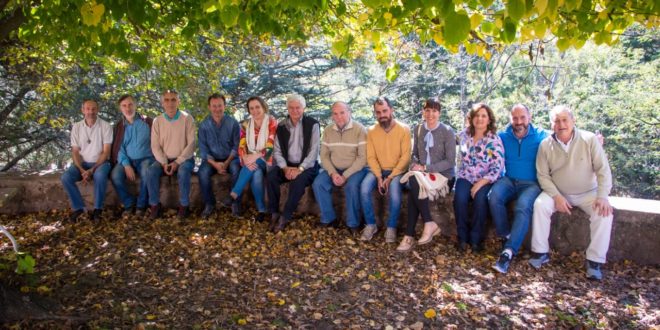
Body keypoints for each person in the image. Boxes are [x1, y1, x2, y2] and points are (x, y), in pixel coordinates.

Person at [528, 105, 613, 280]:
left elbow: (603, 169)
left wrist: (603, 196)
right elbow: (543, 175)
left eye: (565, 120)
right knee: (540, 205)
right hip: (558, 192)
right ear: (552, 125)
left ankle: (594, 261)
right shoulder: (545, 145)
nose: (561, 124)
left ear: (573, 121)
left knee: (604, 214)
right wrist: (556, 196)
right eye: (557, 121)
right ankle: (540, 253)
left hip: (588, 192)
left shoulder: (589, 139)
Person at [488, 104, 549, 273]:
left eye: (522, 117)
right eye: (515, 118)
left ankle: (508, 252)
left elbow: (564, 134)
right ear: (510, 119)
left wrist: (592, 139)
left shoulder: (541, 136)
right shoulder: (502, 136)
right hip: (509, 179)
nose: (519, 121)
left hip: (531, 183)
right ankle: (506, 235)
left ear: (529, 117)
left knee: (523, 206)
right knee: (493, 197)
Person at [396, 97, 456, 252]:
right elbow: (414, 153)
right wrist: (415, 165)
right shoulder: (418, 129)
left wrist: (425, 168)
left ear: (439, 113)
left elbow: (450, 162)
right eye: (427, 110)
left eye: (434, 111)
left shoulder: (447, 132)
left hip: (443, 176)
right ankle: (427, 224)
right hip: (422, 174)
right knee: (415, 183)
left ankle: (409, 235)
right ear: (423, 111)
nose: (430, 114)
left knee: (414, 187)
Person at [454, 103, 505, 253]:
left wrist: (481, 183)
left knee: (481, 199)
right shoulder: (464, 135)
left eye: (483, 116)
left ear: (489, 120)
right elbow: (459, 158)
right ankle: (462, 238)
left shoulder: (494, 140)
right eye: (477, 115)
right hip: (466, 176)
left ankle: (476, 240)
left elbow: (498, 166)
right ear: (472, 118)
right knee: (459, 198)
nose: (480, 119)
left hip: (487, 178)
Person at [360, 96, 411, 243]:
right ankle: (371, 225)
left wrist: (389, 177)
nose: (382, 115)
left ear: (391, 110)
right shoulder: (371, 131)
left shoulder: (404, 129)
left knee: (394, 190)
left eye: (384, 111)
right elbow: (371, 157)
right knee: (364, 188)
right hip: (377, 170)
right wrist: (379, 176)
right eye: (378, 112)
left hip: (397, 171)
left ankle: (391, 227)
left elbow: (405, 158)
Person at [312, 101, 368, 234]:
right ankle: (329, 219)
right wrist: (332, 173)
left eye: (342, 113)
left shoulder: (359, 129)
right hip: (334, 168)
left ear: (349, 112)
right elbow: (324, 156)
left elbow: (362, 158)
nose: (339, 117)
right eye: (335, 114)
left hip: (355, 169)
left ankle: (353, 223)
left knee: (352, 186)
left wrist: (345, 175)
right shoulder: (328, 130)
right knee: (318, 184)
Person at [267, 94, 320, 233]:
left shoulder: (312, 124)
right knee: (271, 176)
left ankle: (285, 216)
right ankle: (274, 213)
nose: (294, 110)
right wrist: (284, 168)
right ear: (287, 109)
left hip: (307, 166)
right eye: (291, 108)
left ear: (303, 108)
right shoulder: (282, 126)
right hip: (287, 165)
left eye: (298, 107)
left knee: (298, 182)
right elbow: (277, 150)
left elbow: (314, 152)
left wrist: (300, 168)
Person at [225, 96, 278, 222]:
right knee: (256, 173)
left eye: (257, 107)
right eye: (251, 108)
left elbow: (272, 145)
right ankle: (261, 210)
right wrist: (244, 157)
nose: (255, 111)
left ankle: (234, 193)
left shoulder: (272, 122)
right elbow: (241, 145)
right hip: (253, 161)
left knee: (253, 166)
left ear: (263, 107)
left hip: (269, 158)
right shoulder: (245, 124)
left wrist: (254, 156)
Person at [146, 90, 196, 220]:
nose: (170, 103)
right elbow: (155, 146)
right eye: (167, 100)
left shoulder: (187, 118)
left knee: (184, 172)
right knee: (151, 171)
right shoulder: (158, 121)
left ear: (178, 101)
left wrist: (177, 162)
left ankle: (184, 206)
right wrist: (164, 162)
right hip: (164, 160)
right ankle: (155, 205)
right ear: (162, 103)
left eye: (173, 99)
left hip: (185, 159)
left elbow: (191, 144)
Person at [61, 99, 113, 222]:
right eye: (88, 109)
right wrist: (81, 169)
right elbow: (75, 151)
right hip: (82, 164)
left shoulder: (106, 126)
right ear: (83, 110)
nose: (91, 111)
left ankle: (98, 209)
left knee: (100, 176)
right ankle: (79, 208)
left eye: (94, 109)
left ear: (98, 110)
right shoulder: (77, 127)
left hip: (101, 163)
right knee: (66, 177)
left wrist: (92, 170)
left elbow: (106, 152)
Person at [110, 95, 155, 218]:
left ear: (135, 105)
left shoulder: (148, 122)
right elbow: (119, 147)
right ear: (120, 108)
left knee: (147, 173)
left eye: (130, 104)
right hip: (126, 160)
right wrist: (126, 164)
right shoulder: (119, 126)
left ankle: (141, 205)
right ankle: (129, 204)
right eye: (124, 105)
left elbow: (157, 142)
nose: (128, 108)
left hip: (146, 158)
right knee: (115, 175)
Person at [197, 93, 241, 219]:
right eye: (214, 106)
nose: (217, 109)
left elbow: (236, 146)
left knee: (236, 169)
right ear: (209, 107)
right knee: (202, 173)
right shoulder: (204, 125)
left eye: (220, 106)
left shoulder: (233, 123)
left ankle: (235, 204)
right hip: (212, 160)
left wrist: (226, 163)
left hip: (231, 158)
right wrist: (216, 165)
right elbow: (204, 150)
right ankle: (209, 204)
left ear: (224, 106)